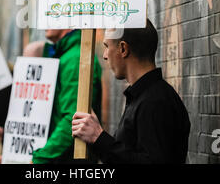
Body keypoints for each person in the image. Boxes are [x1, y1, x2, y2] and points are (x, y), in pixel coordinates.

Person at [72, 20, 191, 164]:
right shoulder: (145, 97)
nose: (104, 55)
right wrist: (95, 139)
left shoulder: (155, 102)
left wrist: (99, 137)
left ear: (123, 49)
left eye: (107, 46)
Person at [0, 30, 103, 164]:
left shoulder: (76, 59)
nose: (46, 20)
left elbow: (72, 119)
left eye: (53, 11)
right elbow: (50, 117)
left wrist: (36, 160)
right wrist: (12, 143)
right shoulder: (64, 56)